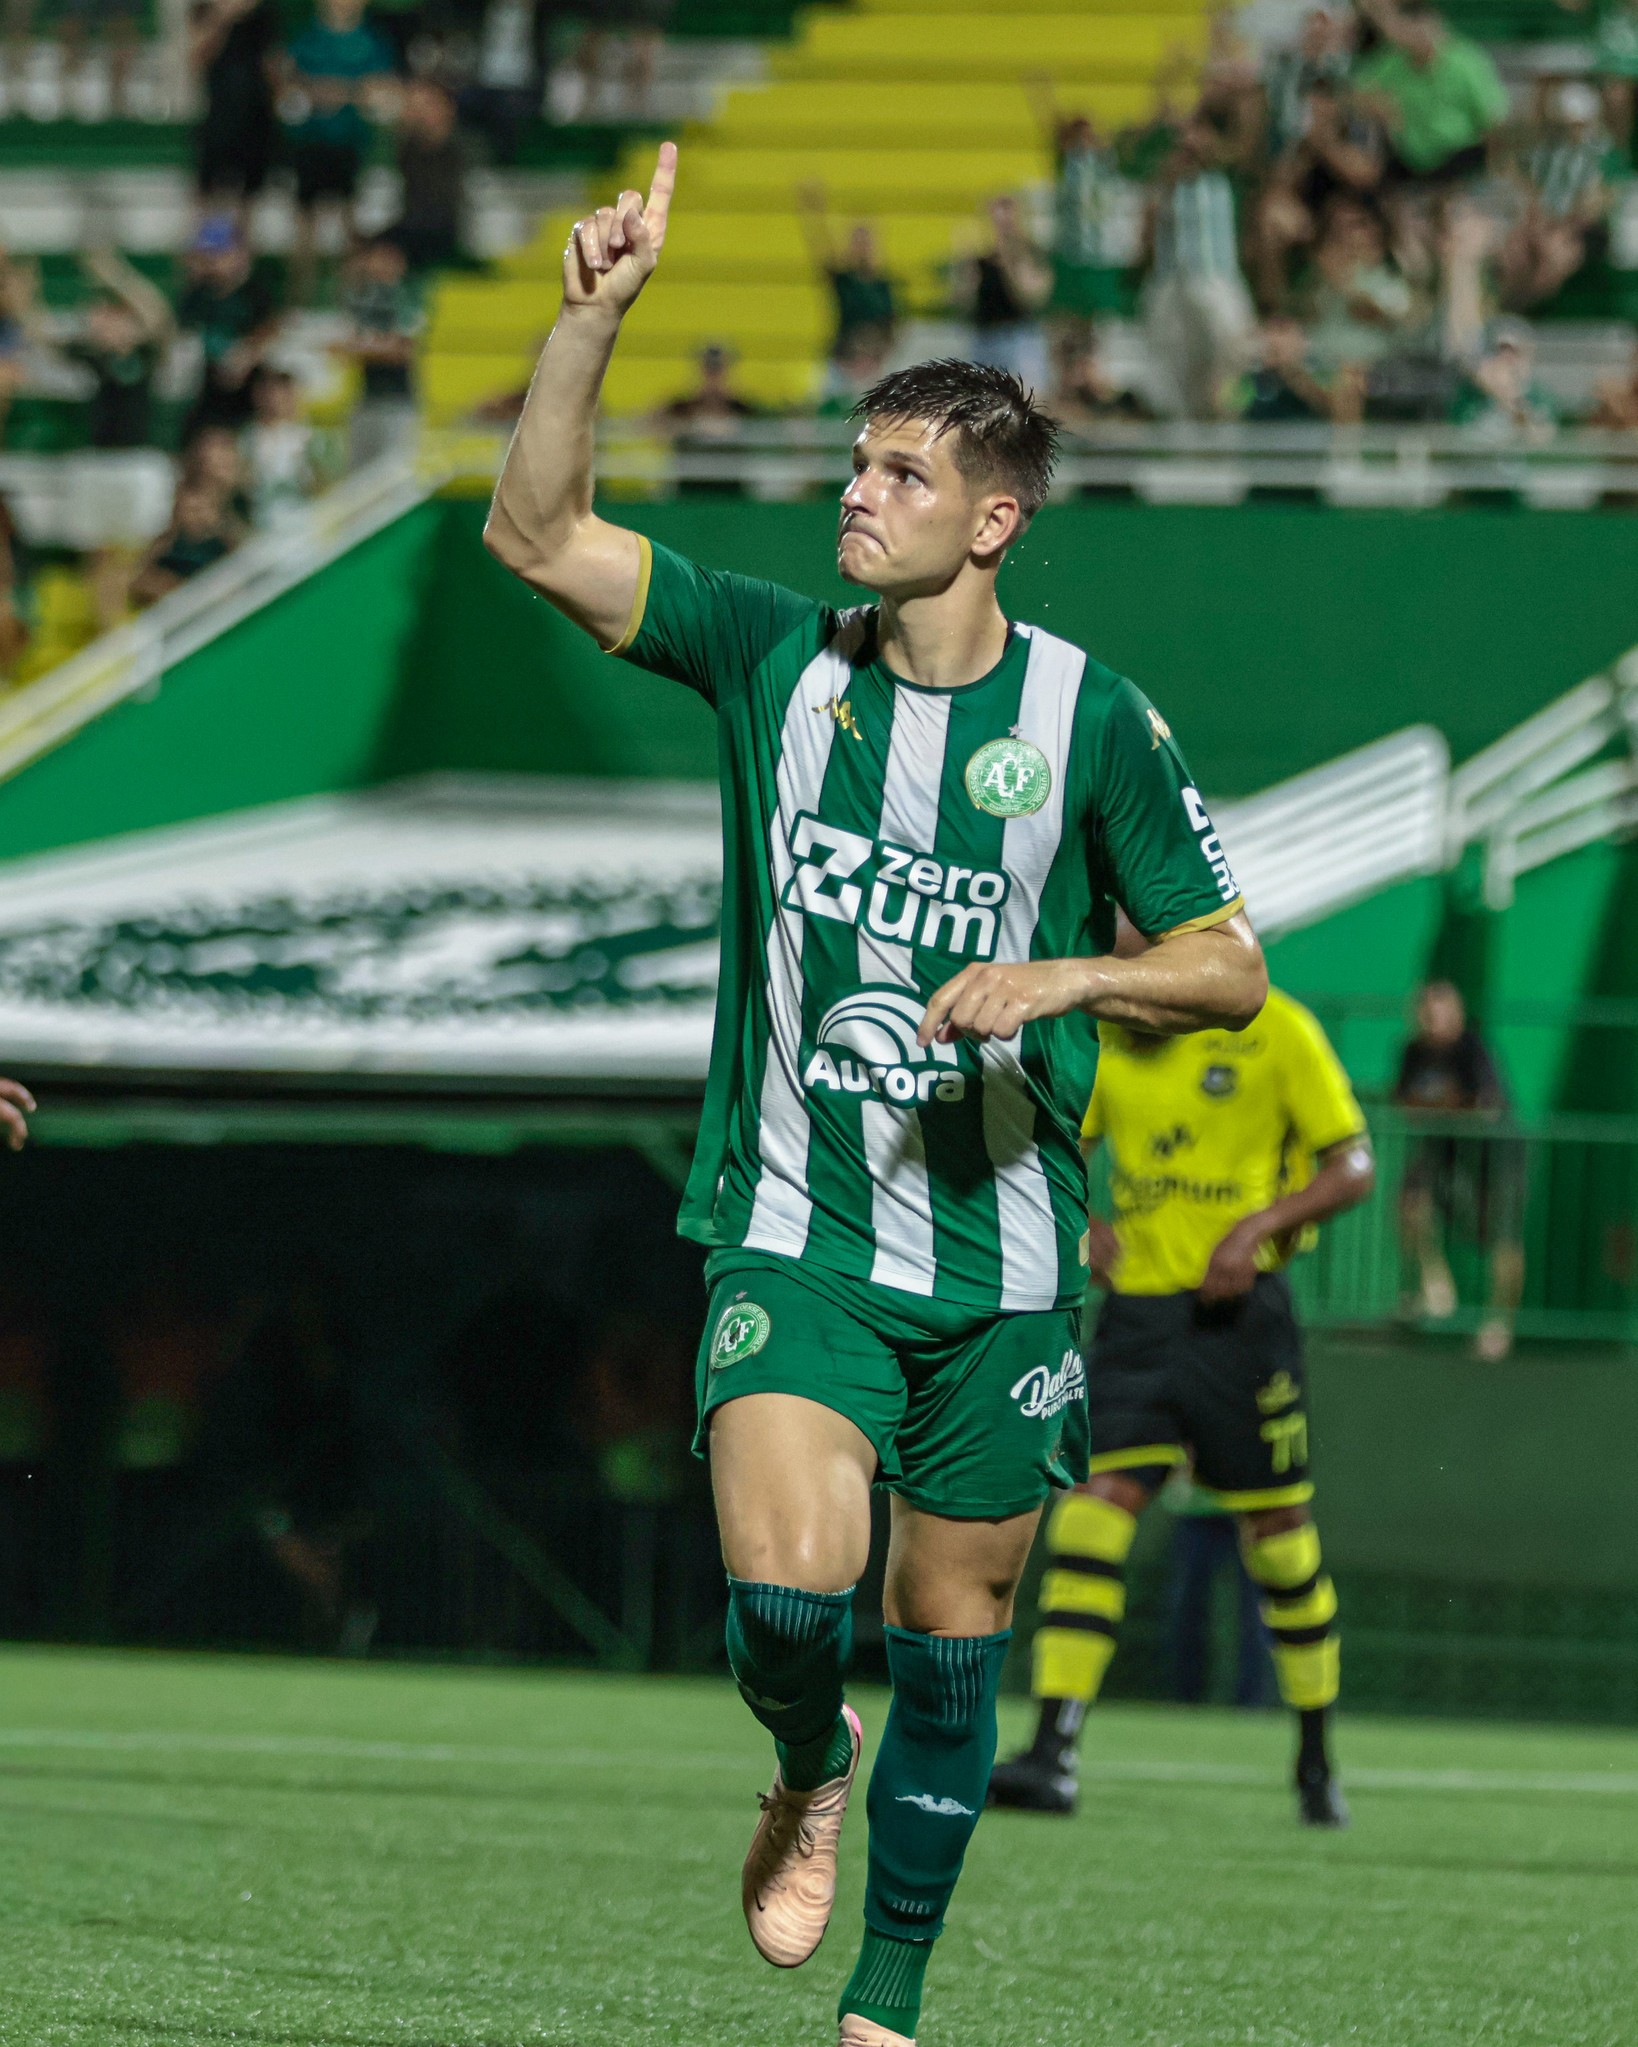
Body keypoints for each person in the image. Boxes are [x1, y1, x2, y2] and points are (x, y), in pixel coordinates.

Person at [482, 143, 1266, 2047]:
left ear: (989, 520)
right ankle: (792, 1753)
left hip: (1003, 1264)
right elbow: (534, 536)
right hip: (793, 1229)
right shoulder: (772, 657)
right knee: (781, 1605)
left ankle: (886, 2005)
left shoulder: (1089, 721)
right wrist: (587, 313)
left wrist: (1073, 969)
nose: (857, 491)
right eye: (854, 462)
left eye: (901, 473)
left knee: (949, 1641)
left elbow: (1227, 965)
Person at [989, 955, 1372, 1829]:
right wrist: (1082, 1220)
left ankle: (1315, 1757)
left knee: (1277, 1538)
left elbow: (1352, 1166)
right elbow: (1046, 1143)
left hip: (1244, 1325)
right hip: (1139, 1322)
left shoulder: (1279, 1029)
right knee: (1092, 1509)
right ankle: (1053, 1752)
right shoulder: (1109, 1044)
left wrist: (1257, 1230)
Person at [1392, 978, 1524, 1361]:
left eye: (1441, 1012)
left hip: (1494, 1157)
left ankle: (1500, 1324)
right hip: (1442, 1152)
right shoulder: (1412, 1051)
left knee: (1503, 1236)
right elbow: (1404, 1101)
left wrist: (1443, 1106)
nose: (1433, 1021)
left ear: (1458, 1016)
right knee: (1410, 1204)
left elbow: (1485, 1107)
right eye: (1426, 1012)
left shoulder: (1473, 1050)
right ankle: (1434, 1289)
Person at [1142, 121, 1257, 418]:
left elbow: (1241, 147)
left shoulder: (1225, 179)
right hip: (1172, 280)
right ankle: (1183, 426)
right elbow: (1148, 232)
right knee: (1174, 360)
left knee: (1235, 348)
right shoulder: (1166, 186)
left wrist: (1205, 145)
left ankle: (1224, 412)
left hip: (1217, 276)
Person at [284, 0, 395, 305]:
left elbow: (380, 87)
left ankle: (346, 297)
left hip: (348, 142)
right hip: (311, 141)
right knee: (306, 223)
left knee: (349, 221)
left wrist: (340, 93)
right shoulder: (308, 38)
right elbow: (289, 80)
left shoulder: (370, 41)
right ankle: (300, 297)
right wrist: (321, 91)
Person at [1352, 0, 1510, 188]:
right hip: (1410, 159)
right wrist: (1378, 107)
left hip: (1460, 155)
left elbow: (1493, 119)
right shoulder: (1394, 62)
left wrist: (1497, 164)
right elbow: (1356, 93)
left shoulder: (1466, 62)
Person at [177, 214, 281, 434]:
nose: (212, 263)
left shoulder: (255, 294)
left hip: (249, 394)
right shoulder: (196, 296)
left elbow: (271, 329)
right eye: (206, 256)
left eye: (218, 254)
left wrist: (248, 354)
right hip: (207, 392)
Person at [796, 184, 898, 377]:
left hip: (875, 366)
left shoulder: (883, 285)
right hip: (842, 363)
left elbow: (891, 326)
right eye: (857, 241)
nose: (861, 246)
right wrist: (814, 215)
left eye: (865, 240)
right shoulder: (844, 280)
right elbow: (821, 250)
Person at [190, 0, 281, 213]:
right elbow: (198, 57)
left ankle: (243, 243)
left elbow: (273, 64)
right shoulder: (206, 10)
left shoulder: (264, 15)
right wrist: (220, 20)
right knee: (208, 189)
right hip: (219, 114)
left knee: (249, 193)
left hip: (255, 114)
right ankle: (207, 243)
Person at [337, 235, 419, 467]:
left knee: (391, 475)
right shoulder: (362, 298)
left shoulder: (408, 297)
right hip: (367, 399)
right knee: (359, 476)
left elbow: (401, 350)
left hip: (397, 402)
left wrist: (361, 349)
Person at [957, 194, 1052, 393]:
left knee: (1025, 397)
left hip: (1017, 337)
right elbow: (965, 302)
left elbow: (1030, 296)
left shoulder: (1030, 254)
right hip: (985, 336)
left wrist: (1009, 259)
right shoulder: (982, 260)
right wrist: (965, 271)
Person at [391, 75, 469, 272]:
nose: (419, 113)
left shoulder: (464, 148)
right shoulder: (407, 148)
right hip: (412, 228)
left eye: (426, 105)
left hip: (446, 231)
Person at [129, 478, 244, 606]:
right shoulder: (166, 545)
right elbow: (138, 580)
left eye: (201, 509)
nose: (196, 517)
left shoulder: (227, 543)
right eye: (190, 510)